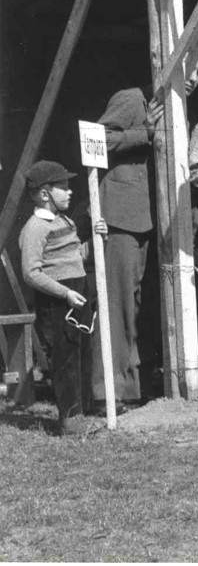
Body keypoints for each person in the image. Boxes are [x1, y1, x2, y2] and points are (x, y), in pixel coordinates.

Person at [95, 46, 198, 403]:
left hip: (156, 223)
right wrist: (144, 132)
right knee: (118, 306)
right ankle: (110, 393)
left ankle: (137, 387)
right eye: (189, 69)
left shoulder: (181, 113)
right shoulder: (134, 99)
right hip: (121, 218)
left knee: (144, 308)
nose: (193, 78)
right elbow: (95, 140)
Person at [18, 161, 105, 434]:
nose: (70, 192)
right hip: (58, 301)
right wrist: (64, 293)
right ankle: (70, 420)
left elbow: (75, 255)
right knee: (65, 358)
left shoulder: (64, 220)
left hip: (77, 293)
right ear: (45, 194)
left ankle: (83, 411)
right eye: (63, 187)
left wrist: (96, 239)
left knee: (82, 353)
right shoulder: (35, 228)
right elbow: (31, 273)